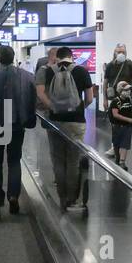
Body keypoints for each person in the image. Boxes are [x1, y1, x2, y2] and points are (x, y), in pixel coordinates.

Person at [35, 46, 95, 211]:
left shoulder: (48, 71)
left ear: (57, 58)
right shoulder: (82, 72)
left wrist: (53, 107)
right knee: (73, 161)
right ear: (71, 57)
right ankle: (72, 198)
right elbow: (90, 98)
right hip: (76, 122)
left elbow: (40, 93)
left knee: (58, 160)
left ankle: (62, 197)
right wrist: (79, 108)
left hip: (55, 122)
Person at [0, 45, 36, 214]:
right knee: (14, 161)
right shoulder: (28, 76)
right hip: (17, 124)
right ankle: (13, 196)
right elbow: (34, 99)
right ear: (13, 58)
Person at [102, 44, 132, 155]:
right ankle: (114, 146)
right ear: (114, 53)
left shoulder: (130, 64)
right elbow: (105, 83)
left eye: (123, 52)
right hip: (114, 98)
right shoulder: (110, 66)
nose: (121, 54)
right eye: (119, 52)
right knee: (115, 123)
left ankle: (122, 148)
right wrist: (105, 99)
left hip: (127, 98)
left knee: (126, 123)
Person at [108, 80, 132, 169]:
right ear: (120, 91)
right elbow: (115, 114)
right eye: (125, 90)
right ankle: (118, 158)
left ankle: (122, 161)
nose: (128, 92)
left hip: (127, 127)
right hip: (117, 126)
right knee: (117, 143)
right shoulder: (116, 101)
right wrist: (128, 119)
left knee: (125, 144)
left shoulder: (131, 100)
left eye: (129, 90)